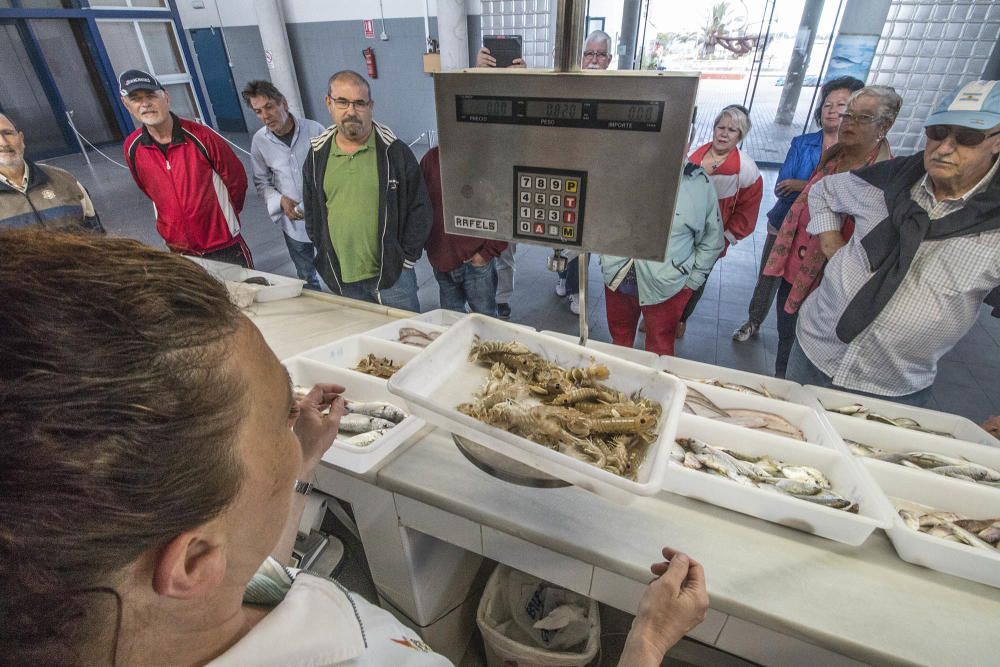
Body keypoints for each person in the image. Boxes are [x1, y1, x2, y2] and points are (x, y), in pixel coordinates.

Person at [0, 230, 708, 666]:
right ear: (191, 556)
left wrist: (300, 460)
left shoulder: (174, 612)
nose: (297, 414)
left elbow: (256, 570)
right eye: (282, 413)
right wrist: (645, 640)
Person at [787, 79, 1000, 405]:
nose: (944, 148)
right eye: (938, 132)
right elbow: (823, 191)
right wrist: (830, 241)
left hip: (891, 386)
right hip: (813, 351)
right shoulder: (886, 180)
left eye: (968, 138)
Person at [762, 85, 899, 377]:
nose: (848, 122)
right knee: (786, 333)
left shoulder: (886, 176)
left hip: (832, 275)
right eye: (848, 115)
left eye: (862, 118)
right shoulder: (834, 156)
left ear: (885, 125)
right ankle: (781, 384)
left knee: (814, 344)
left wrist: (832, 245)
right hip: (795, 264)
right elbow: (812, 196)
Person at [732, 76, 864, 342]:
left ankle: (804, 334)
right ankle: (754, 320)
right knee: (768, 277)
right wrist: (820, 187)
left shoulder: (858, 155)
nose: (832, 110)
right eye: (827, 104)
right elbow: (783, 185)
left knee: (810, 287)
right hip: (785, 223)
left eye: (841, 105)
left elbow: (846, 194)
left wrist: (804, 186)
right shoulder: (803, 143)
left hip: (826, 235)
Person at [302, 70, 431, 312]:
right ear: (328, 103)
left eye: (359, 103)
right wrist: (322, 247)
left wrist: (406, 259)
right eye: (342, 102)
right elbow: (312, 209)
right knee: (361, 339)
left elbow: (420, 208)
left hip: (392, 276)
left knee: (406, 338)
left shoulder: (394, 152)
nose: (351, 111)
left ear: (370, 106)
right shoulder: (318, 155)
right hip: (342, 276)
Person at [600, 125, 724, 356]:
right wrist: (605, 258)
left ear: (689, 144)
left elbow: (712, 240)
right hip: (618, 276)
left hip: (668, 284)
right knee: (619, 342)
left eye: (679, 139)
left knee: (660, 348)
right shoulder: (620, 173)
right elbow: (601, 220)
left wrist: (691, 283)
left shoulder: (699, 184)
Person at [120, 69, 252, 267]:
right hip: (180, 251)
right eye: (136, 99)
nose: (145, 104)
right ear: (127, 105)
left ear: (166, 97)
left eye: (150, 96)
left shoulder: (203, 137)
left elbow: (236, 180)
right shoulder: (132, 147)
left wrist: (222, 220)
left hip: (223, 245)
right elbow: (149, 190)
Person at [676, 104, 763, 337]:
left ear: (741, 135)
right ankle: (659, 314)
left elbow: (748, 212)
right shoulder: (692, 156)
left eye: (732, 130)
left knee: (696, 279)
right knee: (672, 272)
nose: (724, 133)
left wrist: (725, 238)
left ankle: (680, 319)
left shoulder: (746, 170)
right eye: (721, 127)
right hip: (681, 234)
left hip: (712, 239)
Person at [555, 30, 615, 316]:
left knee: (583, 241)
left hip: (596, 181)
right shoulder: (570, 87)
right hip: (564, 175)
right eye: (589, 54)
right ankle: (563, 279)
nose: (593, 60)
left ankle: (576, 290)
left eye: (599, 54)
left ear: (609, 59)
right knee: (558, 236)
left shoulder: (617, 90)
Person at [244, 80, 326, 290]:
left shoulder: (315, 130)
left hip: (326, 218)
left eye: (269, 107)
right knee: (306, 275)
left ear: (284, 104)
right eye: (258, 111)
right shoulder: (259, 142)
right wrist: (280, 200)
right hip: (293, 225)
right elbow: (261, 182)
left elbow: (333, 170)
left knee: (339, 269)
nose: (265, 116)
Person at [420, 145, 507, 315]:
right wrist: (429, 246)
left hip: (476, 260)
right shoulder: (431, 158)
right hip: (442, 258)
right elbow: (418, 202)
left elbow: (504, 209)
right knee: (450, 319)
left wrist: (485, 253)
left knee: (485, 319)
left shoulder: (486, 160)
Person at [475, 40, 526, 319]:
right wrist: (478, 71)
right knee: (478, 244)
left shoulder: (521, 96)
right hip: (482, 181)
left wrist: (526, 79)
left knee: (506, 249)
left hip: (510, 184)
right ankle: (481, 294)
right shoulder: (481, 97)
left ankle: (502, 297)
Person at [0, 113, 103, 233]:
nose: (3, 142)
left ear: (21, 139)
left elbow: (96, 231)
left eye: (8, 133)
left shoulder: (65, 179)